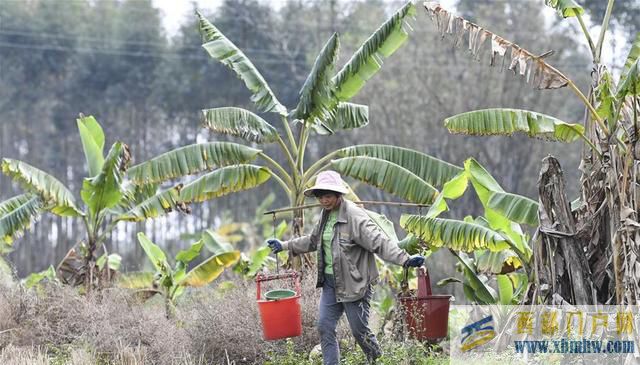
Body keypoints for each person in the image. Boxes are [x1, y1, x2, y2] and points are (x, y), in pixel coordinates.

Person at [266, 170, 425, 365]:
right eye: (320, 196)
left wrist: (406, 259)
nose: (324, 201)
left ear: (338, 195)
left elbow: (379, 242)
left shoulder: (355, 217)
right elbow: (313, 241)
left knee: (360, 332)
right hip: (330, 285)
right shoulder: (326, 215)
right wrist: (283, 245)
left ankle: (377, 360)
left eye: (328, 196)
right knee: (324, 326)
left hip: (355, 285)